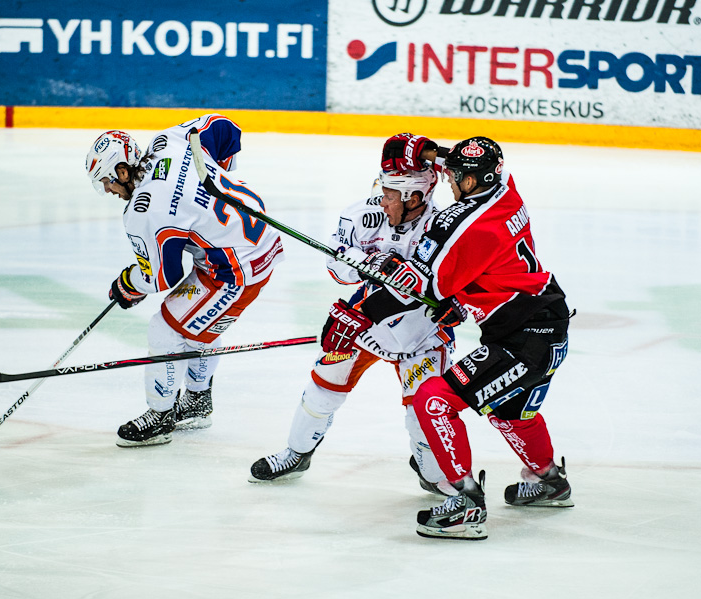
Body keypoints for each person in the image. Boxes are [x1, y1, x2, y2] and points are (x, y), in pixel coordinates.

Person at [367, 133, 573, 540]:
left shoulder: (462, 225)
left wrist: (359, 316)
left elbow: (420, 286)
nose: (448, 179)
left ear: (471, 181)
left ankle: (465, 502)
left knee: (433, 400)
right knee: (509, 410)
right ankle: (550, 481)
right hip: (546, 321)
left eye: (455, 175)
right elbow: (470, 172)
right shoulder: (506, 191)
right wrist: (436, 153)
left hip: (524, 339)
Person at [248, 167, 457, 497]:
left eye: (390, 195)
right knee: (322, 387)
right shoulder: (364, 214)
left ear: (414, 198)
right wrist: (370, 262)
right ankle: (297, 453)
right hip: (364, 320)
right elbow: (337, 263)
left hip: (422, 333)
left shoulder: (444, 226)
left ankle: (432, 469)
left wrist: (455, 299)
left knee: (424, 413)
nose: (382, 201)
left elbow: (456, 280)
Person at [85, 114, 284, 447]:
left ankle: (160, 416)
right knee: (193, 323)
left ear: (122, 170)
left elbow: (164, 275)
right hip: (256, 237)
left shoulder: (143, 210)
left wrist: (128, 284)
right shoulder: (169, 141)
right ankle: (196, 402)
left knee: (164, 328)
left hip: (236, 268)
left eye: (107, 181)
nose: (108, 190)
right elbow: (223, 126)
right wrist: (215, 179)